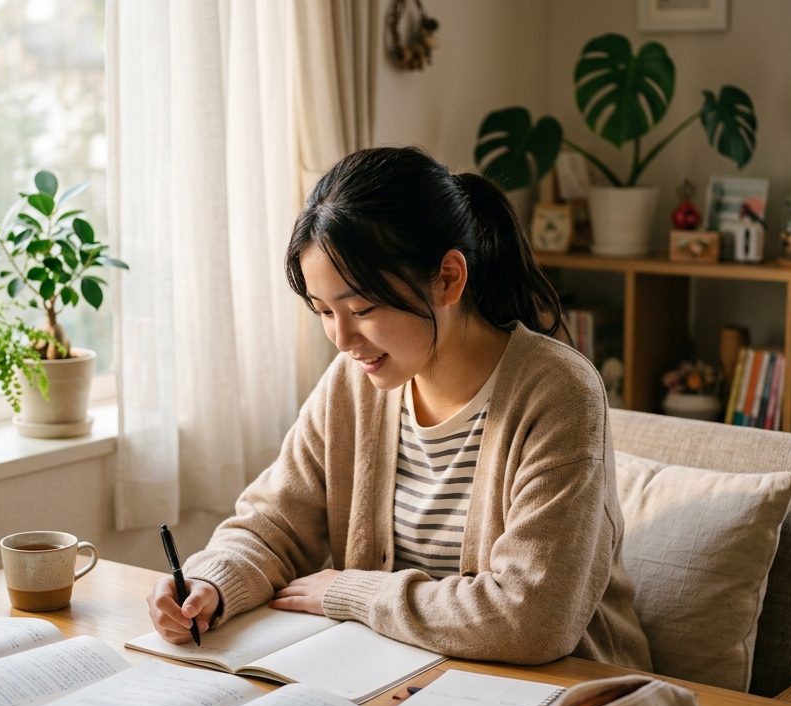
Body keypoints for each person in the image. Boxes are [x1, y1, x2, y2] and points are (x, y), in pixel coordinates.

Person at [146, 146, 651, 669]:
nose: (342, 338)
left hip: (559, 695)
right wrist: (212, 580)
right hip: (394, 677)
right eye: (324, 311)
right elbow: (273, 523)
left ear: (449, 279)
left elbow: (530, 621)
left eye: (361, 308)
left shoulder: (559, 393)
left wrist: (352, 592)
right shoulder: (353, 384)